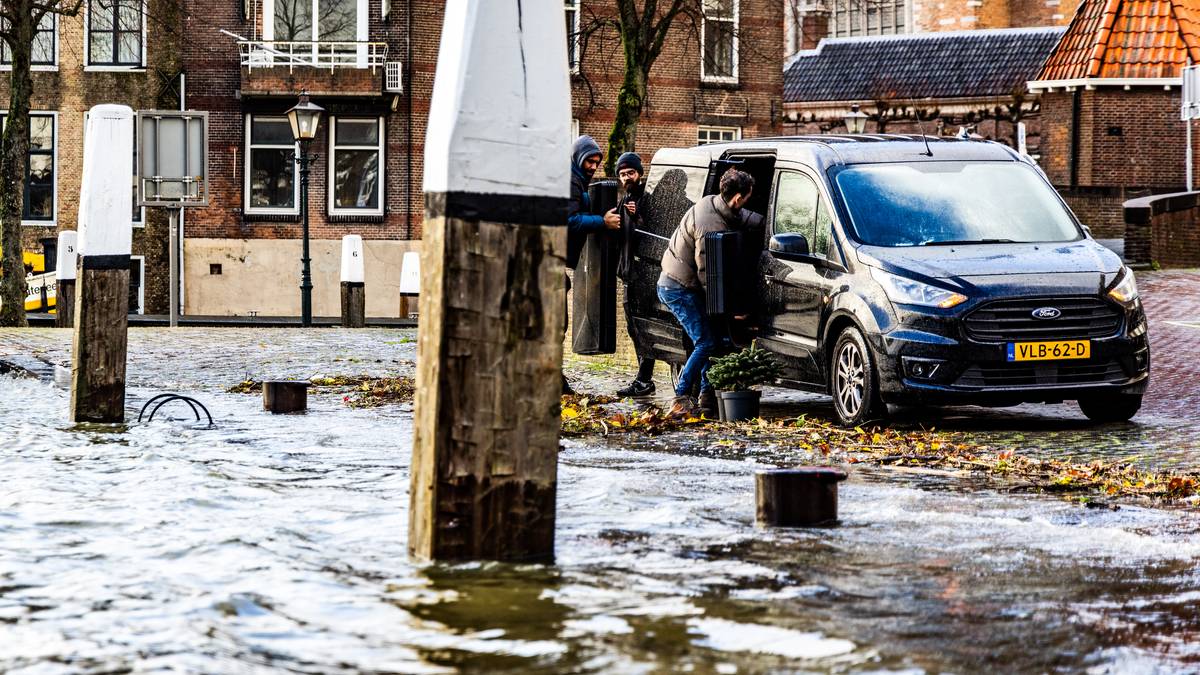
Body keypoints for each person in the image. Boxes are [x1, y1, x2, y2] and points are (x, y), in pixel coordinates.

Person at [657, 167, 757, 415]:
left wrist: (766, 222)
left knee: (711, 340)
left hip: (686, 283)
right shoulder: (709, 226)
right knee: (706, 342)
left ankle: (706, 397)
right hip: (678, 287)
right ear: (737, 198)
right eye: (747, 198)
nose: (746, 203)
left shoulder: (713, 202)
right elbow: (708, 274)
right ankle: (681, 396)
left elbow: (740, 217)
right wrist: (728, 309)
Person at [564, 135, 620, 394]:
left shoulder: (577, 180)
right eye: (589, 161)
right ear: (578, 158)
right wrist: (602, 222)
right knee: (557, 325)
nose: (593, 166)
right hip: (553, 260)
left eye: (597, 162)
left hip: (559, 261)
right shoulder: (571, 182)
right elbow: (570, 220)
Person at [612, 152, 658, 398]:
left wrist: (636, 217)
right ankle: (643, 378)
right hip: (631, 274)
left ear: (639, 173)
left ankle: (644, 379)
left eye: (630, 173)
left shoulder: (647, 199)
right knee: (633, 327)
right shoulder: (625, 199)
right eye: (622, 174)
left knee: (642, 327)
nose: (627, 177)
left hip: (646, 273)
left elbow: (653, 235)